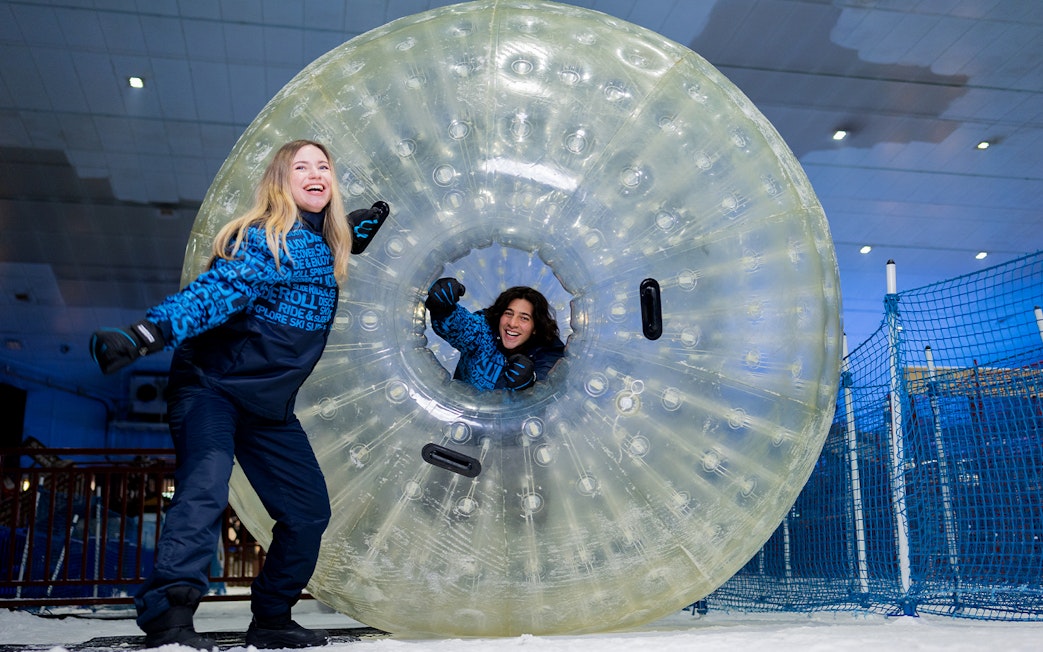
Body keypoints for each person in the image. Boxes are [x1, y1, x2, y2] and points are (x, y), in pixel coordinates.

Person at [88, 140, 388, 650]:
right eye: (302, 167)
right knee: (205, 486)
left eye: (324, 167)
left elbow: (324, 252)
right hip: (213, 389)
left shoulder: (322, 242)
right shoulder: (267, 240)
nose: (316, 174)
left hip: (267, 406)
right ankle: (169, 616)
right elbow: (219, 290)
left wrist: (352, 230)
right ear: (280, 180)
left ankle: (271, 618)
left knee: (308, 511)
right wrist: (146, 334)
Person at [425, 279, 565, 391]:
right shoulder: (485, 332)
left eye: (524, 318)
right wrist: (442, 307)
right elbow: (462, 327)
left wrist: (530, 381)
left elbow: (551, 386)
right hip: (462, 418)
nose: (512, 323)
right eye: (508, 314)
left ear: (535, 327)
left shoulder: (548, 352)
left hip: (516, 426)